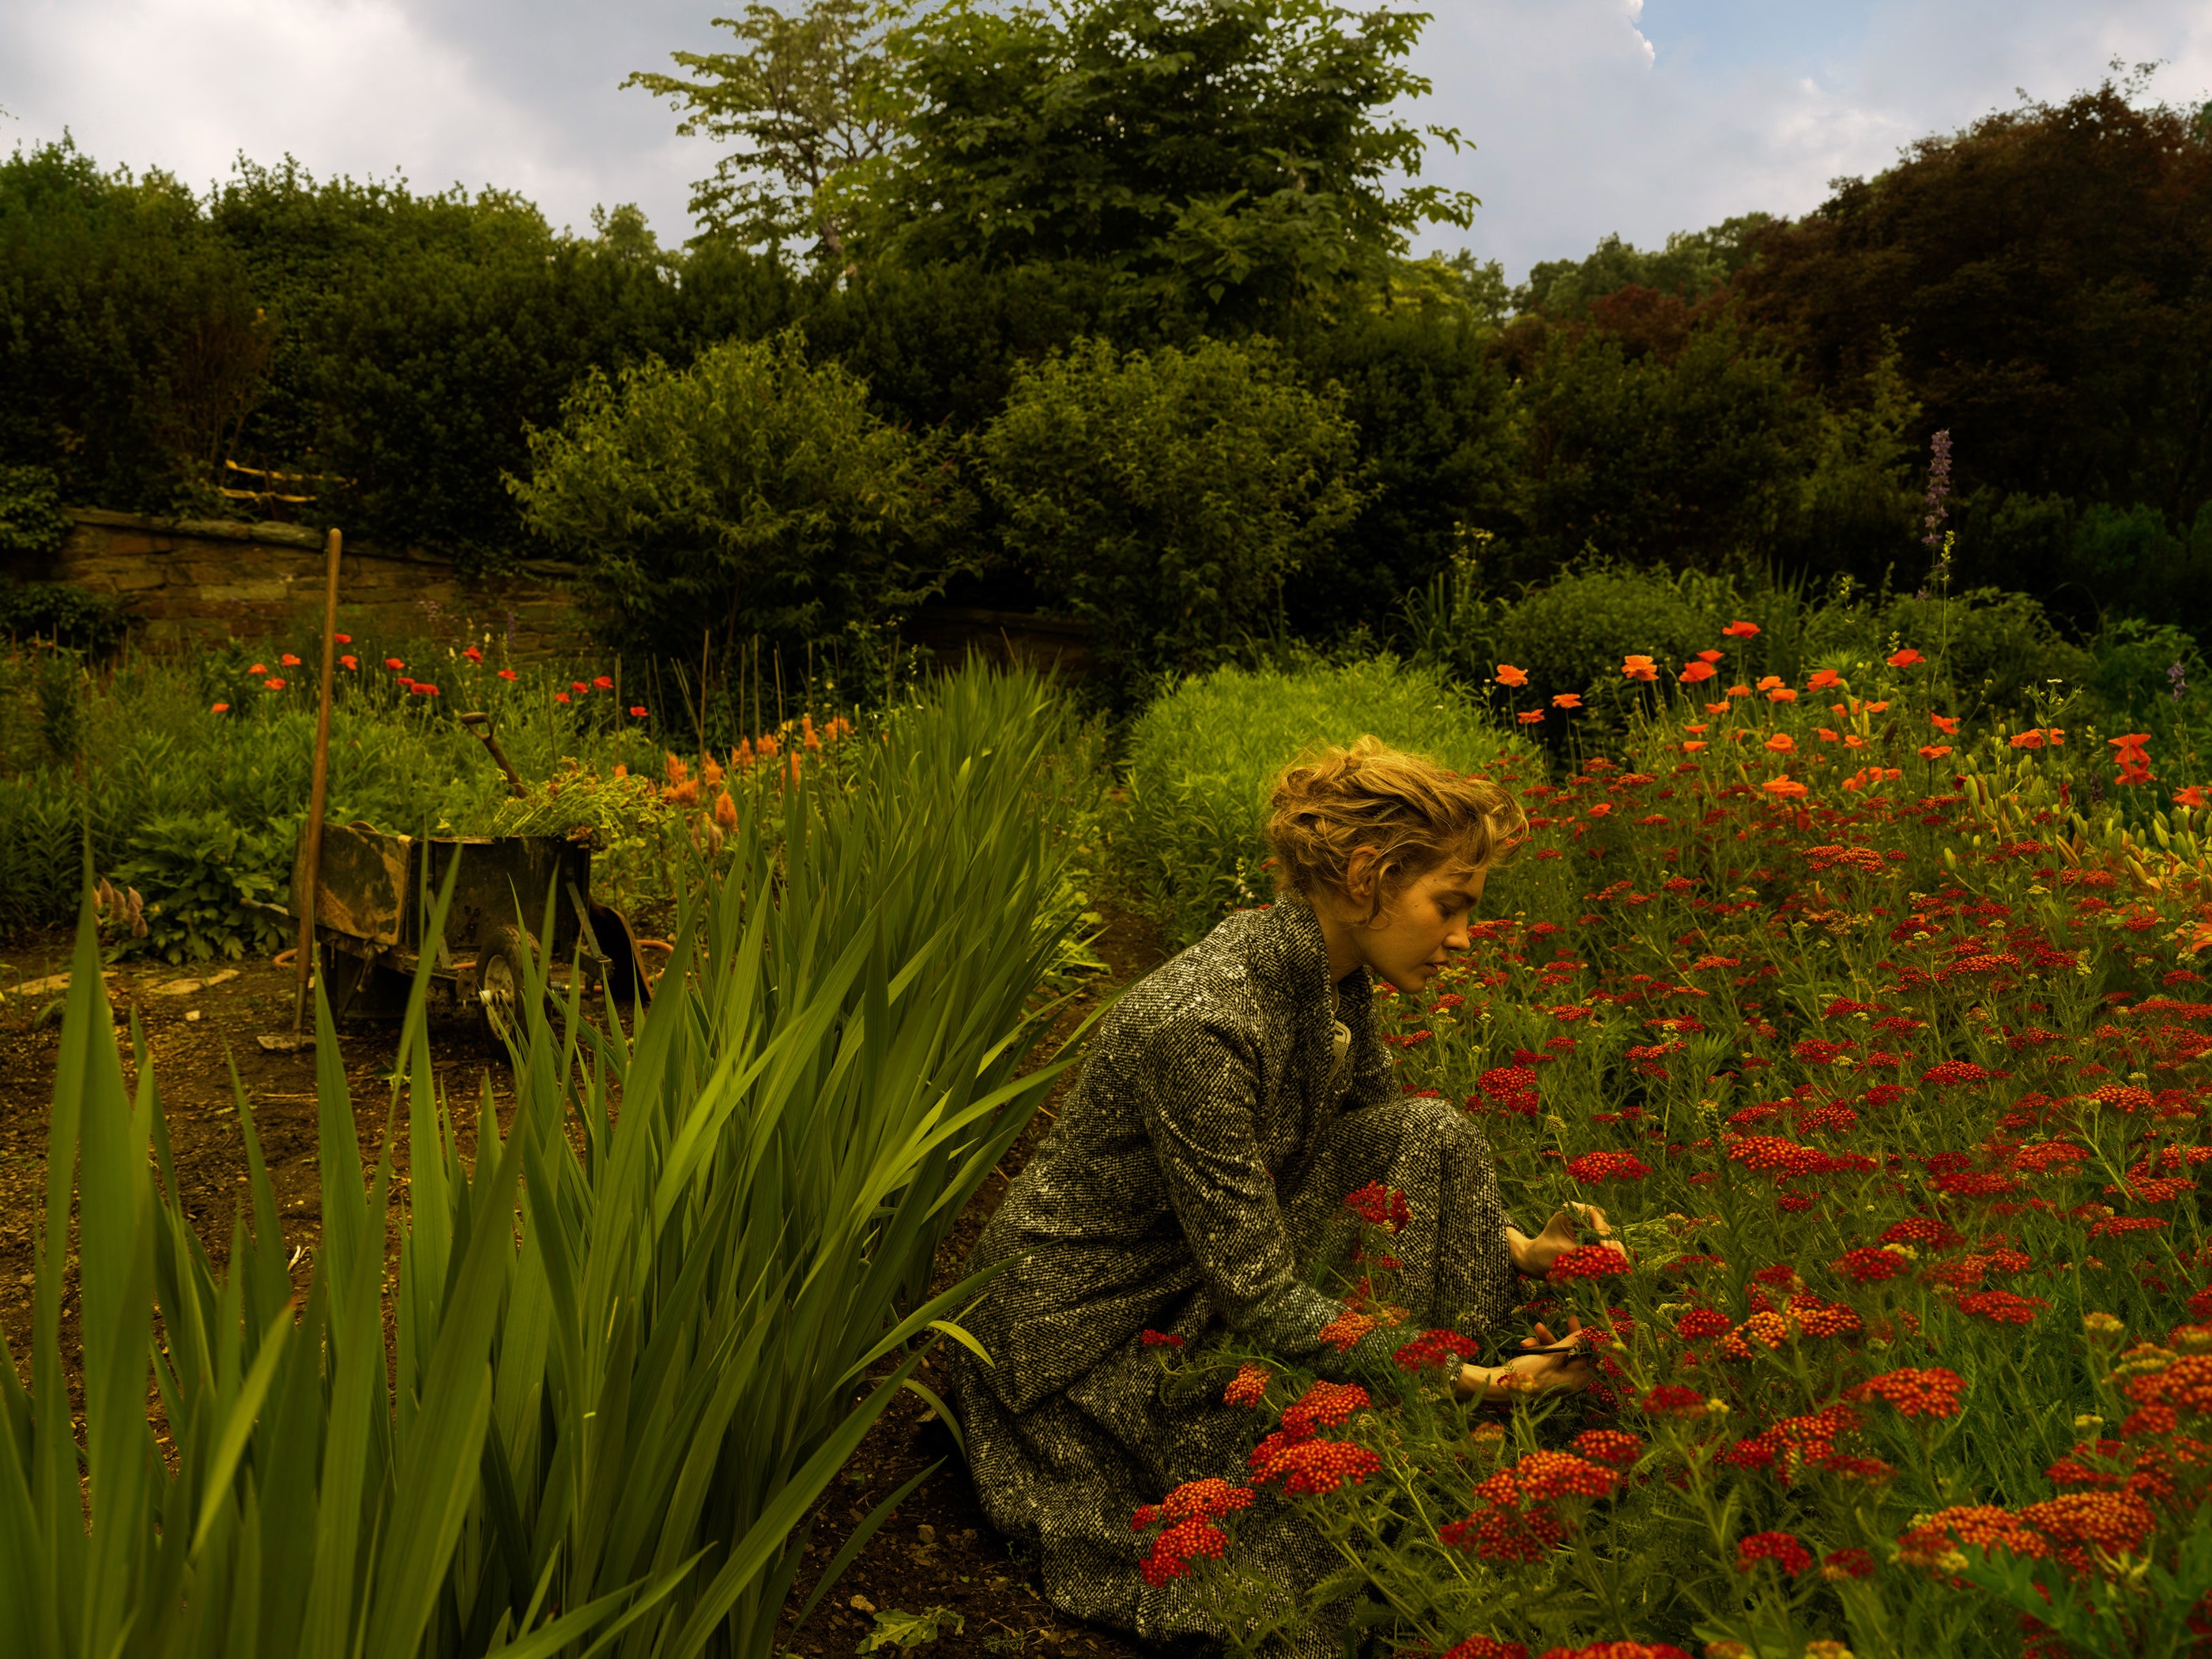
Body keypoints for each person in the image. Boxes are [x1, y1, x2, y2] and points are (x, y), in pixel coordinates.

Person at [945, 737, 1610, 1656]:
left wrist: (1521, 1246)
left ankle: (1450, 1450)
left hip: (1194, 1272)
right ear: (1370, 876)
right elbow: (1256, 1294)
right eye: (1451, 904)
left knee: (1433, 1129)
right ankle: (1463, 1417)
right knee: (1290, 1543)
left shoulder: (1324, 976)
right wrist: (1464, 1376)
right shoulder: (1204, 1022)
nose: (1464, 937)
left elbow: (1381, 1139)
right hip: (1083, 1341)